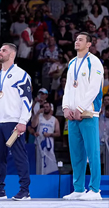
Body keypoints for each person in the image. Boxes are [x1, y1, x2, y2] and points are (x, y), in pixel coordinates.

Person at [0, 43, 32, 200]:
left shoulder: (21, 75)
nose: (0, 52)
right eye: (0, 50)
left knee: (19, 157)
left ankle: (25, 190)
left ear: (12, 54)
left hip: (13, 122)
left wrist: (23, 121)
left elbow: (27, 100)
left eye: (3, 50)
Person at [62, 32, 104, 200]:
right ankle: (78, 188)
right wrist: (65, 107)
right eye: (76, 39)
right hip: (72, 115)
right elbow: (68, 88)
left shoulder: (94, 62)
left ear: (89, 44)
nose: (76, 41)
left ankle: (95, 190)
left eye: (81, 40)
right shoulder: (72, 62)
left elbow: (94, 89)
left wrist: (80, 107)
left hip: (88, 113)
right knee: (76, 153)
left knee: (92, 151)